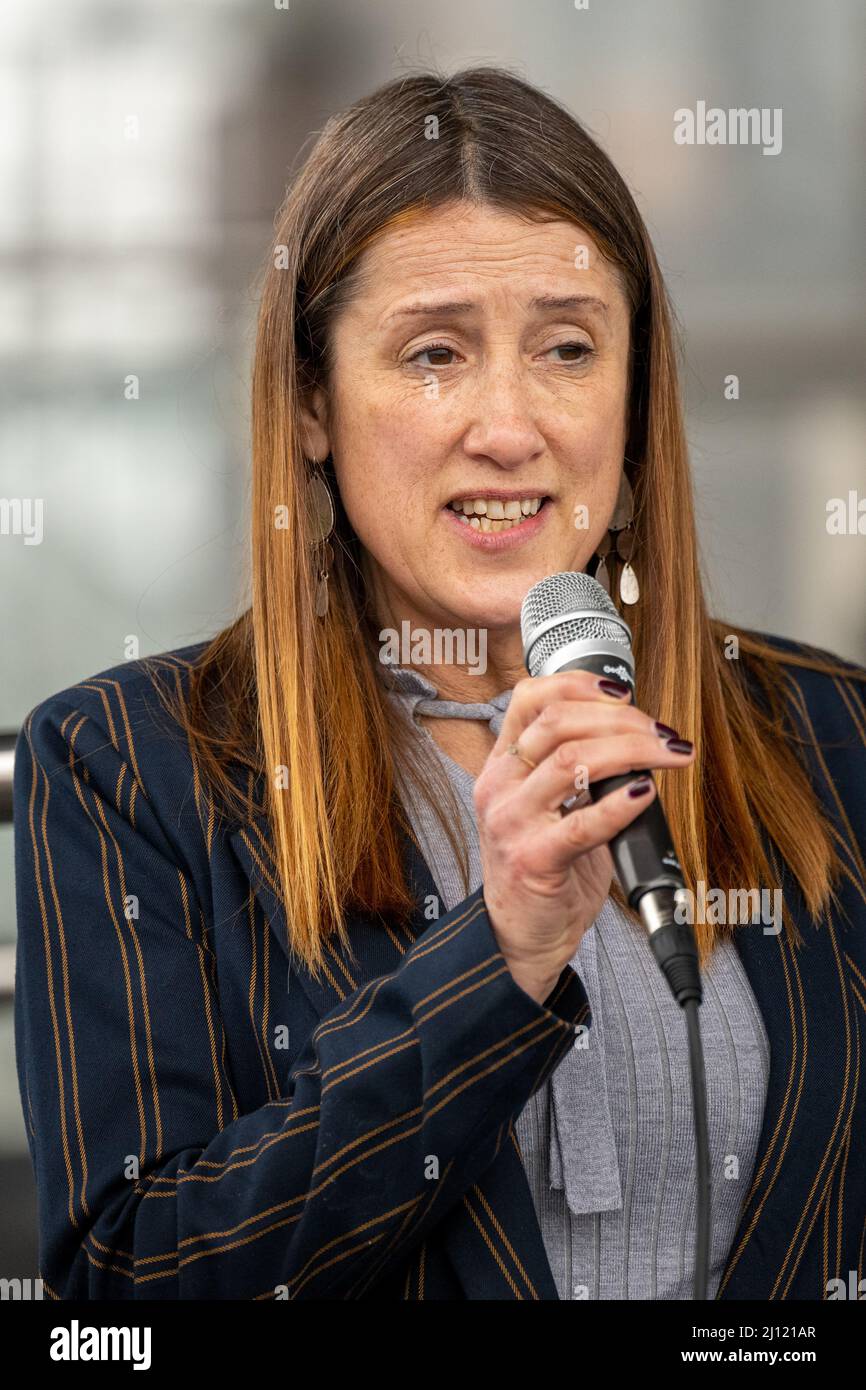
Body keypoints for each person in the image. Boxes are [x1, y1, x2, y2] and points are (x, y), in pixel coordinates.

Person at [14, 66, 866, 1301]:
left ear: (630, 403)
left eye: (567, 348)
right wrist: (497, 959)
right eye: (433, 354)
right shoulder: (122, 766)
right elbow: (127, 1288)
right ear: (310, 402)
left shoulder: (830, 735)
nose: (509, 425)